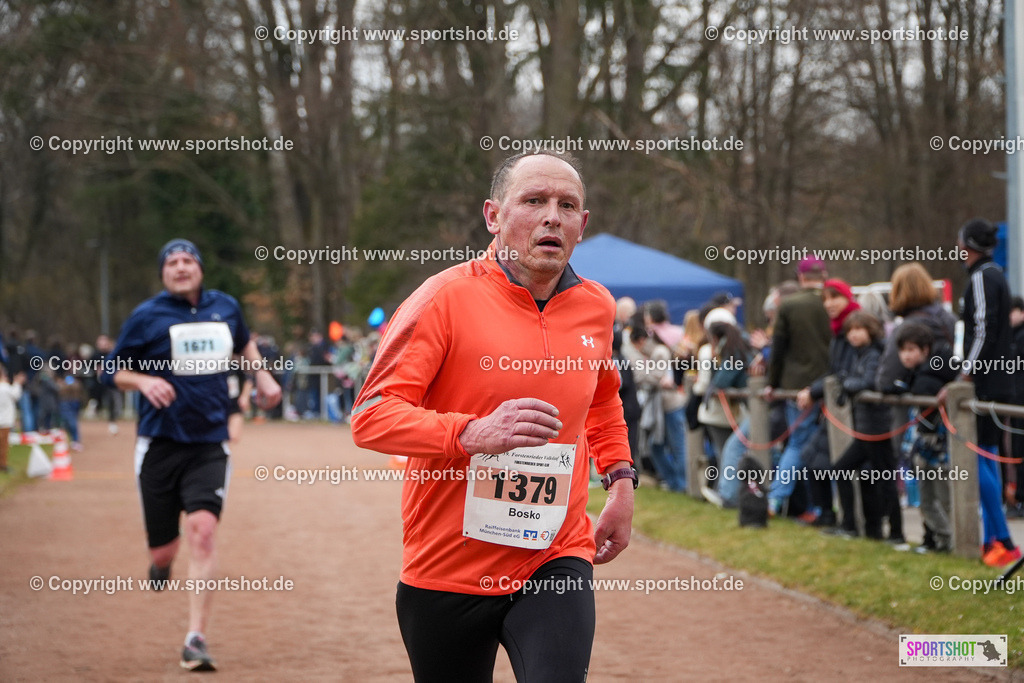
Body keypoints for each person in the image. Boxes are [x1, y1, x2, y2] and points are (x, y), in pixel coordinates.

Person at [351, 151, 634, 682]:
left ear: (582, 225)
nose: (552, 216)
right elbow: (371, 417)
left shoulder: (597, 306)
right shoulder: (442, 299)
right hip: (447, 569)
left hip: (554, 554)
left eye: (566, 205)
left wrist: (620, 481)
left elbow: (602, 399)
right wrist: (473, 433)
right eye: (534, 201)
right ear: (493, 216)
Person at [102, 238, 281, 671]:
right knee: (164, 550)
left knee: (203, 529)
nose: (181, 267)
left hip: (209, 443)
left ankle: (195, 638)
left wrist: (263, 377)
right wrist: (143, 383)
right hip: (159, 444)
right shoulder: (147, 316)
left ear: (199, 267)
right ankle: (160, 562)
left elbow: (244, 343)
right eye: (172, 262)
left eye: (188, 260)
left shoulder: (227, 307)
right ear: (163, 272)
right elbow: (113, 370)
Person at [938, 219, 1020, 567]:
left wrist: (965, 374)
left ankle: (1001, 539)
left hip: (987, 382)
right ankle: (994, 539)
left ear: (968, 244)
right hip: (991, 379)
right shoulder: (990, 275)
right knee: (985, 455)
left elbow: (983, 331)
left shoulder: (984, 276)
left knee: (980, 455)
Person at [825, 311, 903, 543]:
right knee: (843, 468)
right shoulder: (859, 355)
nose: (854, 334)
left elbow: (869, 382)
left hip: (877, 430)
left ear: (870, 330)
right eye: (850, 330)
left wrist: (848, 384)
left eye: (859, 329)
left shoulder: (873, 354)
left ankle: (896, 533)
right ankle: (853, 525)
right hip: (865, 430)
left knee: (885, 479)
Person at [880, 322, 958, 552]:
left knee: (942, 499)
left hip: (940, 449)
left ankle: (951, 541)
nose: (905, 356)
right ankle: (941, 541)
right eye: (902, 350)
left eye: (911, 350)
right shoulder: (913, 375)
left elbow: (925, 395)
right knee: (925, 500)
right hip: (922, 447)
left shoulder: (931, 377)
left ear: (925, 350)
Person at [764, 257, 832, 516]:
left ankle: (775, 499)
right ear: (823, 274)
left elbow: (778, 349)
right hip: (831, 383)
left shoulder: (790, 305)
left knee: (798, 444)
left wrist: (772, 383)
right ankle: (823, 507)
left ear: (801, 277)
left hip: (797, 386)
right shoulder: (832, 301)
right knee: (828, 445)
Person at [795, 278, 862, 527]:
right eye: (825, 299)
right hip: (833, 405)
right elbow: (834, 372)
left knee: (826, 463)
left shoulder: (855, 327)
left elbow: (846, 372)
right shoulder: (837, 332)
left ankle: (847, 520)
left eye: (835, 297)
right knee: (811, 458)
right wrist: (812, 390)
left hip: (850, 409)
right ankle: (826, 512)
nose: (829, 303)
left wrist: (814, 391)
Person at [0, 366, 26, 473]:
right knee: (3, 445)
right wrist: (17, 383)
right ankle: (3, 465)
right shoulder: (5, 387)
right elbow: (16, 394)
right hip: (4, 420)